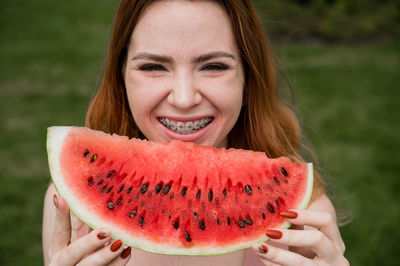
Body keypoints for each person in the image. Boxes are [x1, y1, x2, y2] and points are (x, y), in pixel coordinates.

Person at [42, 0, 349, 265]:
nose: (184, 98)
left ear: (247, 76)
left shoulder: (301, 223)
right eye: (153, 67)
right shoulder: (68, 210)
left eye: (213, 66)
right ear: (121, 76)